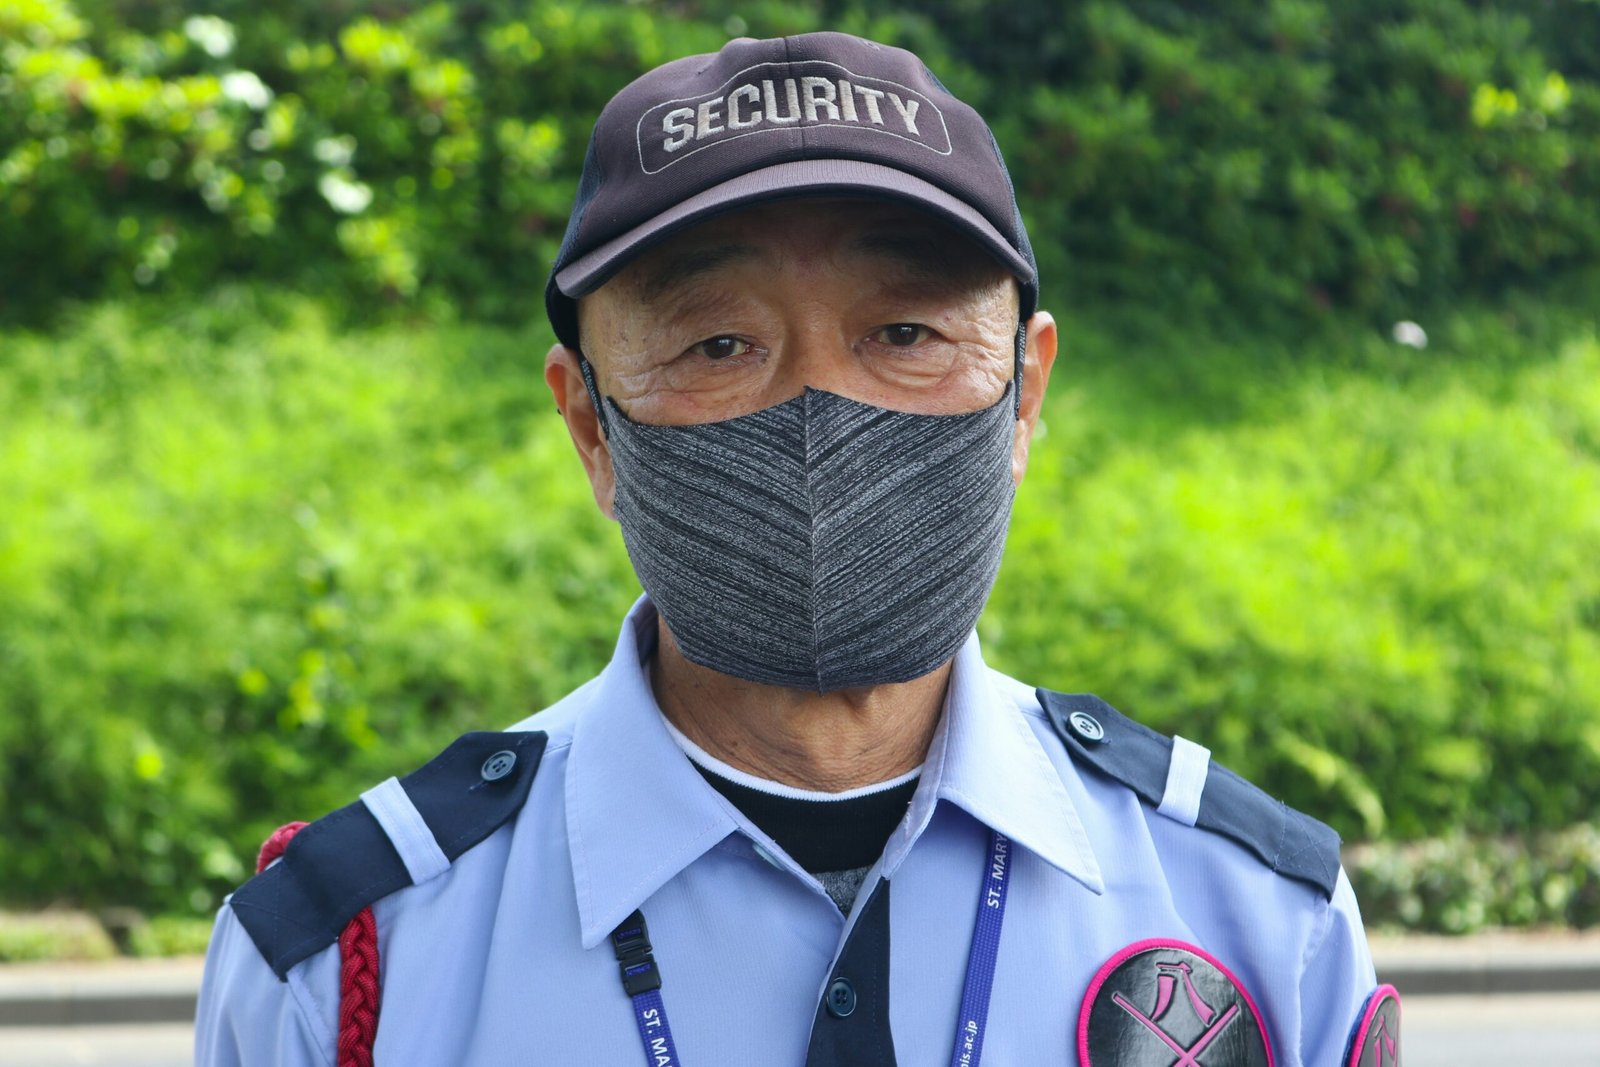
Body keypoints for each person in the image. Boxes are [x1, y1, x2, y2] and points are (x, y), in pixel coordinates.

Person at [195, 31, 1401, 1067]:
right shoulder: (355, 963)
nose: (823, 405)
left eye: (905, 329)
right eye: (718, 345)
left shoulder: (1257, 913)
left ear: (1024, 393)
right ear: (589, 425)